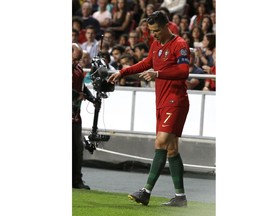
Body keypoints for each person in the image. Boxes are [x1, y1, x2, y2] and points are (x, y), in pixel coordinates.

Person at [108, 11, 190, 207]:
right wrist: (122, 71)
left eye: (156, 31)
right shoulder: (155, 45)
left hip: (176, 101)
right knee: (171, 149)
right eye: (151, 31)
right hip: (161, 102)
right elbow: (146, 63)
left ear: (166, 26)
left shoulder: (179, 45)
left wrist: (158, 73)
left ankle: (145, 192)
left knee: (160, 143)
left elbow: (184, 71)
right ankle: (180, 198)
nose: (153, 34)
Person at [72, 43, 96, 190]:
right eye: (75, 59)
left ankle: (76, 180)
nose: (77, 62)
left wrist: (91, 98)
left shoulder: (78, 69)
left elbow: (82, 87)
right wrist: (76, 95)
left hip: (74, 116)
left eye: (79, 59)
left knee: (77, 148)